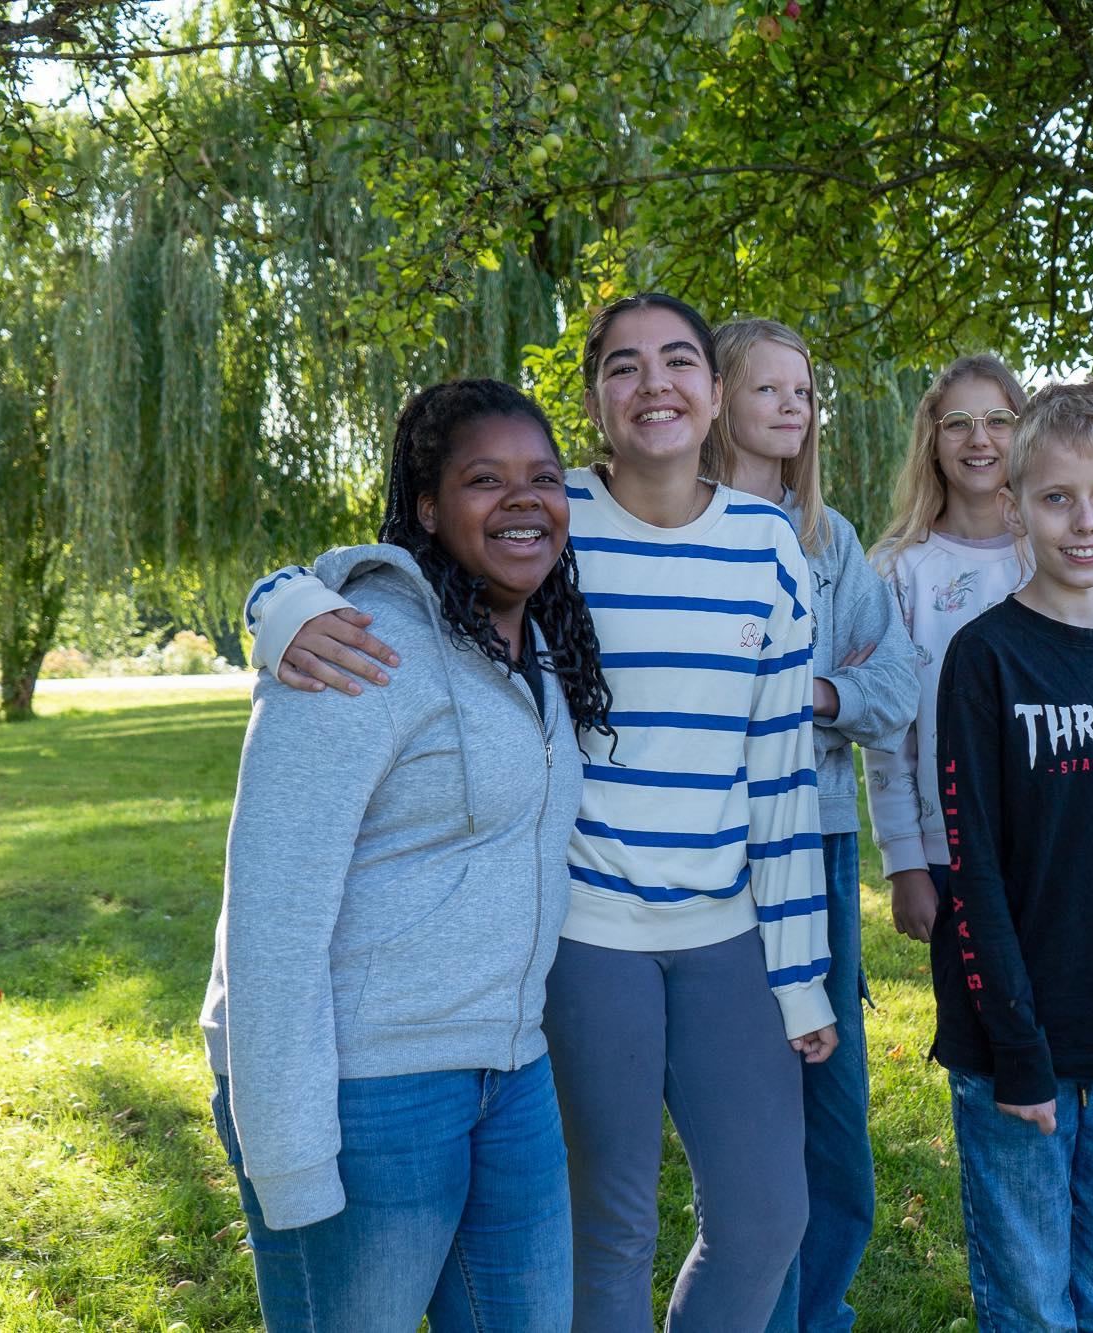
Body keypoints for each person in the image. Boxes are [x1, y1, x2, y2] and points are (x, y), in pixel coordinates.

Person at [238, 294, 837, 1332]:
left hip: (726, 927)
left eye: (679, 361)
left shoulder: (766, 545)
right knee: (603, 1227)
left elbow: (778, 773)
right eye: (623, 367)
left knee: (768, 1218)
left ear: (715, 390)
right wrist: (279, 604)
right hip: (585, 930)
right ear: (595, 402)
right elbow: (394, 578)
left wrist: (802, 973)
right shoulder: (555, 520)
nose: (654, 384)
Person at [200, 379, 611, 1332]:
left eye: (544, 478)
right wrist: (295, 1161)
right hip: (363, 1090)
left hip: (509, 1072)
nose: (523, 499)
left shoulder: (541, 647)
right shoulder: (354, 647)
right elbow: (272, 916)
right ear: (426, 506)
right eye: (484, 479)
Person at [930, 380, 1093, 1331]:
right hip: (1017, 1043)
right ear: (1014, 506)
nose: (1084, 522)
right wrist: (1018, 1050)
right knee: (1033, 1308)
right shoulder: (985, 659)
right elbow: (976, 870)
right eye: (1056, 498)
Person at [707, 318, 920, 1333]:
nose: (793, 408)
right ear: (715, 400)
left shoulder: (825, 540)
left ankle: (814, 1313)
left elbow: (897, 677)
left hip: (820, 844)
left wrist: (818, 697)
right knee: (750, 1118)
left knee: (829, 1106)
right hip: (702, 854)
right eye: (770, 390)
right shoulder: (672, 524)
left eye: (803, 391)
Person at [863, 354, 1032, 948]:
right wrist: (905, 861)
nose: (979, 437)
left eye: (999, 419)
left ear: (1026, 433)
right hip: (948, 850)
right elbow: (887, 731)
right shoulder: (895, 570)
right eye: (957, 421)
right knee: (973, 1025)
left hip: (1058, 839)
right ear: (931, 442)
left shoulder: (1062, 558)